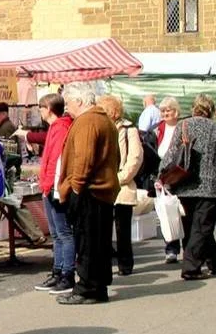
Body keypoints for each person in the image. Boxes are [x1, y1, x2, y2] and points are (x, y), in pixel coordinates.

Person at [160, 95, 216, 280]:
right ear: (211, 109)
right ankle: (191, 269)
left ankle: (215, 263)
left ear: (193, 108)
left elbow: (171, 154)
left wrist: (162, 175)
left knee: (194, 227)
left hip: (185, 184)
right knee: (202, 228)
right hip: (210, 186)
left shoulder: (183, 125)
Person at [56, 89, 120, 305]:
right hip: (101, 190)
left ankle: (86, 289)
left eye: (68, 103)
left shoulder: (87, 121)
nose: (66, 108)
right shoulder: (104, 121)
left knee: (87, 243)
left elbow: (84, 159)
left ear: (80, 100)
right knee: (98, 243)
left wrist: (75, 187)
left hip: (90, 191)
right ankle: (97, 288)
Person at [32, 93, 78, 294]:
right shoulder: (55, 127)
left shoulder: (60, 127)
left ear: (48, 108)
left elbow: (56, 159)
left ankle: (67, 273)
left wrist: (49, 184)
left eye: (41, 108)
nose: (40, 112)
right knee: (57, 233)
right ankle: (58, 270)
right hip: (49, 185)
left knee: (63, 232)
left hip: (55, 185)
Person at [102, 95, 144, 276]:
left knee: (122, 228)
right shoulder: (101, 127)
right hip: (103, 185)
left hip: (122, 186)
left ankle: (125, 264)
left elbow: (135, 157)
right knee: (103, 227)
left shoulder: (128, 128)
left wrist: (121, 177)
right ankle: (105, 262)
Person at [151, 98, 184, 263]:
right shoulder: (158, 130)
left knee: (182, 214)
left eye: (168, 110)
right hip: (162, 178)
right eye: (163, 111)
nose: (165, 113)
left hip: (180, 176)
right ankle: (171, 249)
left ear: (176, 112)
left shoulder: (183, 127)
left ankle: (189, 248)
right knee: (167, 213)